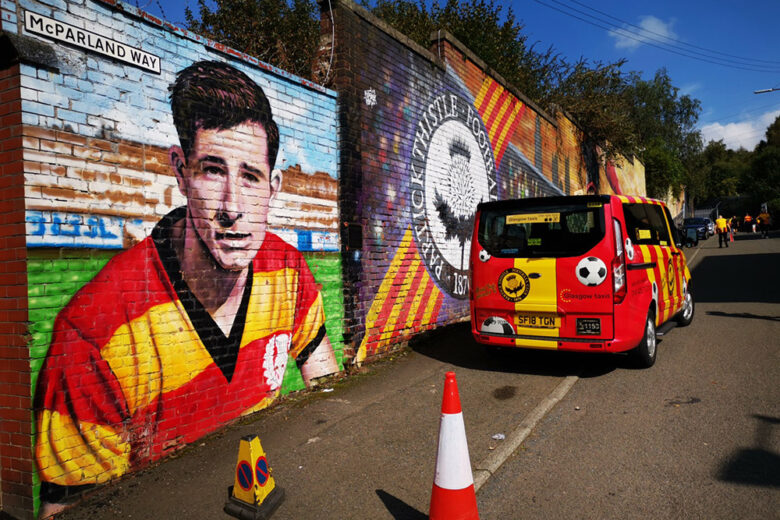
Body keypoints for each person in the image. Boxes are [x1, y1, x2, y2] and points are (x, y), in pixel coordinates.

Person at [34, 60, 339, 515]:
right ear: (181, 171)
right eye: (213, 170)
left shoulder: (288, 270)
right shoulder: (93, 336)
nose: (233, 207)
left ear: (273, 187)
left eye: (251, 177)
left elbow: (327, 396)